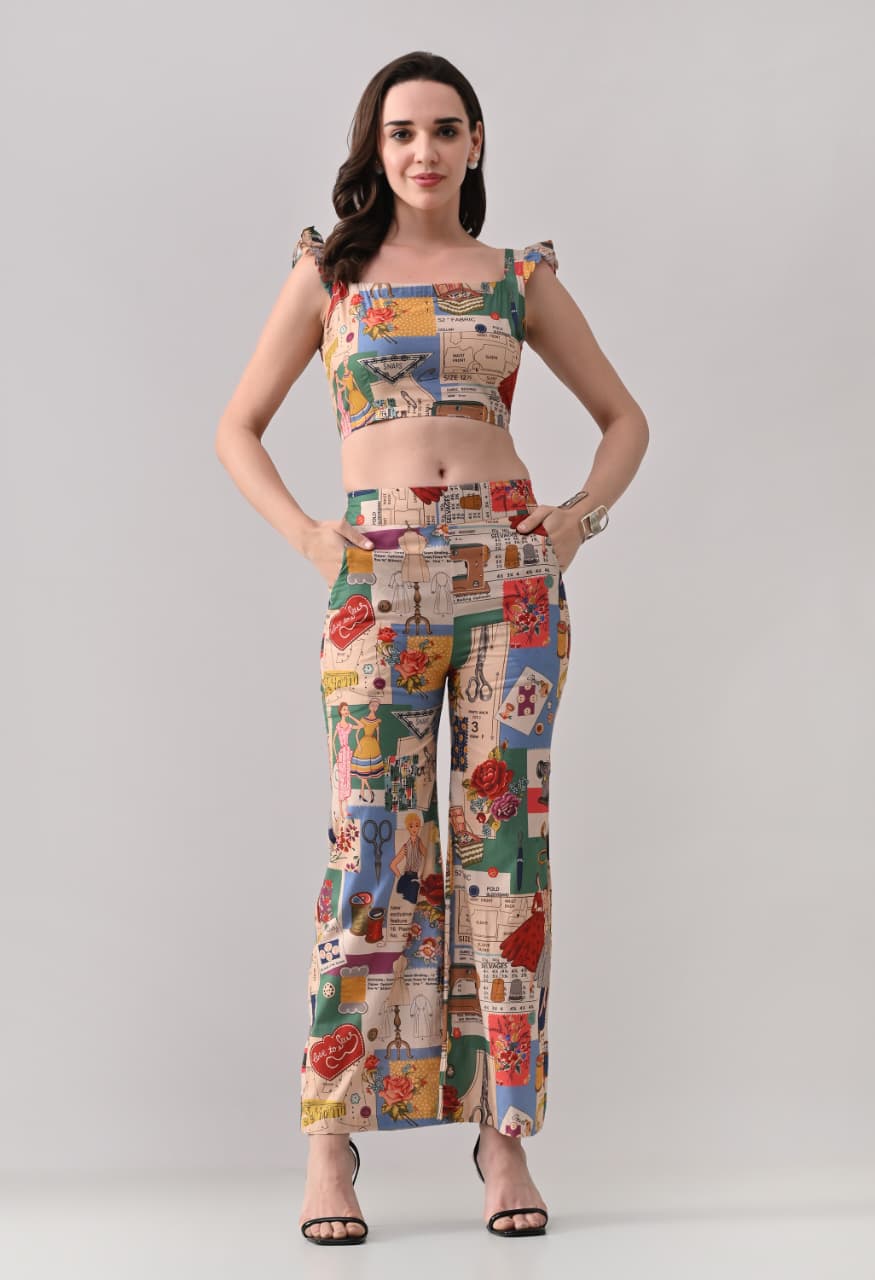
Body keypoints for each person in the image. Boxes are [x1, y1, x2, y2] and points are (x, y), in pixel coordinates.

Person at [215, 49, 649, 1247]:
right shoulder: (330, 273)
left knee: (502, 849)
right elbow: (238, 425)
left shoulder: (516, 278)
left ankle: (503, 1133)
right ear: (375, 145)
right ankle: (330, 1138)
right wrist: (314, 538)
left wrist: (573, 522)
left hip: (507, 571)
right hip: (379, 568)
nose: (423, 150)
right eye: (402, 131)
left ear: (474, 144)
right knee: (374, 839)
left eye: (445, 129)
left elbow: (623, 419)